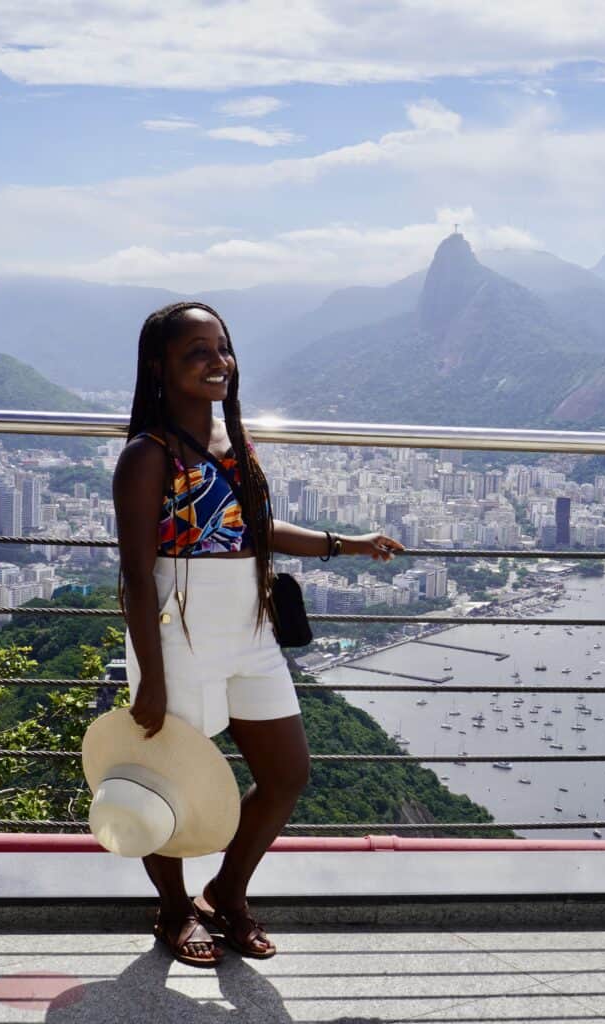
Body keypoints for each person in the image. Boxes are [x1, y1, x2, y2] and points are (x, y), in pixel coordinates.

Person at [113, 301, 404, 968]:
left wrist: (346, 544)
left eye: (222, 348)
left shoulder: (236, 444)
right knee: (169, 786)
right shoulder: (146, 456)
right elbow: (133, 575)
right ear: (160, 368)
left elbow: (255, 531)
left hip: (249, 630)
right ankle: (173, 910)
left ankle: (226, 891)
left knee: (286, 773)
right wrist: (151, 681)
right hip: (176, 635)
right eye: (197, 352)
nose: (218, 362)